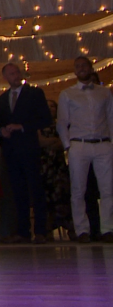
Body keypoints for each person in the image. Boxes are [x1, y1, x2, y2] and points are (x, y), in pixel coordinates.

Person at [57, 56, 113, 244]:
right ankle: (82, 230)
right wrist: (68, 146)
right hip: (78, 144)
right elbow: (62, 122)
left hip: (103, 143)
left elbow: (111, 118)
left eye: (84, 65)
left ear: (91, 68)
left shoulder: (104, 92)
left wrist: (111, 143)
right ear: (74, 71)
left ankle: (107, 229)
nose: (81, 68)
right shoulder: (67, 94)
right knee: (78, 189)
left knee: (107, 189)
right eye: (77, 66)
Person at [0, 63, 51, 244]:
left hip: (29, 146)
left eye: (17, 72)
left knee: (36, 188)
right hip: (11, 149)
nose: (16, 76)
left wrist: (23, 126)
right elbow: (0, 122)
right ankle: (23, 231)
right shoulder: (3, 98)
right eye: (11, 74)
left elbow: (45, 119)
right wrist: (2, 131)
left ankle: (41, 230)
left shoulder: (34, 93)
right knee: (18, 191)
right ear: (5, 77)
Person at [38, 99, 72, 236]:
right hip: (44, 164)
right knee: (45, 195)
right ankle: (47, 227)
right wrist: (52, 141)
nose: (50, 108)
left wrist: (53, 142)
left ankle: (68, 225)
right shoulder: (38, 125)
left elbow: (64, 142)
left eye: (53, 106)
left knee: (62, 193)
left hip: (58, 165)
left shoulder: (61, 125)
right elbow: (40, 142)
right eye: (47, 106)